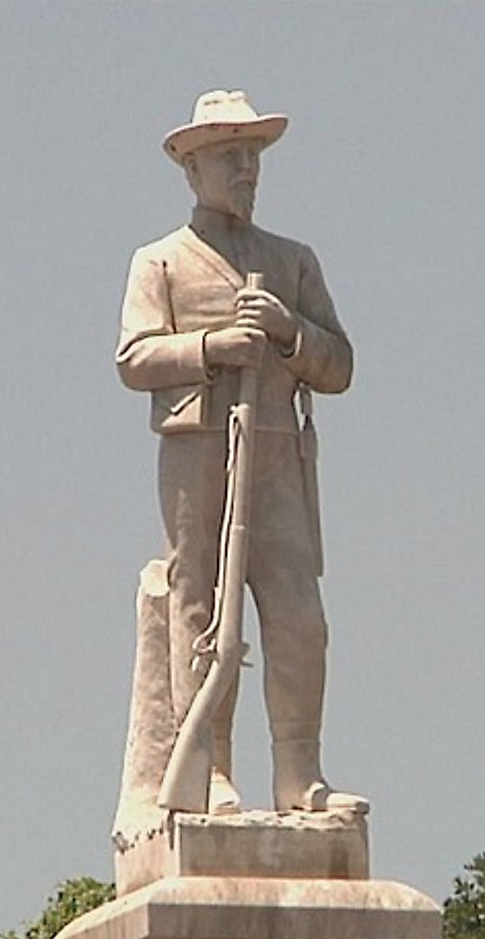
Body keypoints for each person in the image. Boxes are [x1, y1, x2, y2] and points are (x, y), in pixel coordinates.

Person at [115, 91, 366, 815]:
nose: (247, 168)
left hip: (278, 451)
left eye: (253, 153)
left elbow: (340, 365)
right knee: (201, 609)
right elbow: (133, 357)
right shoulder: (159, 261)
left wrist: (290, 334)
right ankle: (212, 770)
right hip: (197, 451)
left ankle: (300, 774)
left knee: (298, 615)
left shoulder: (292, 262)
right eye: (231, 154)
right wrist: (210, 348)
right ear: (193, 169)